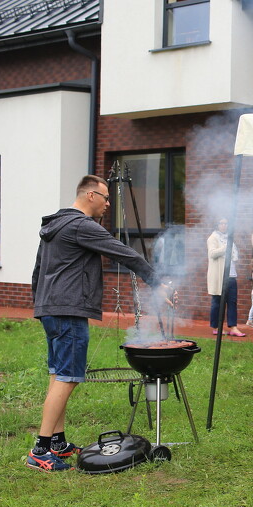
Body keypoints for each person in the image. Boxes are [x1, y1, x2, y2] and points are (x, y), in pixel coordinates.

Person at [29, 175, 172, 472]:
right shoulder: (81, 225)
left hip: (51, 308)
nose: (108, 204)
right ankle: (40, 451)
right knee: (68, 377)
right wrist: (156, 282)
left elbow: (38, 271)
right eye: (106, 198)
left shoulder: (54, 227)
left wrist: (43, 304)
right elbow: (123, 252)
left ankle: (58, 442)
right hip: (68, 310)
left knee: (58, 374)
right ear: (90, 195)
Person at [207, 219, 245, 337]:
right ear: (217, 225)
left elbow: (235, 255)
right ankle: (216, 327)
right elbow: (212, 253)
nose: (224, 226)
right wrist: (225, 247)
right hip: (219, 275)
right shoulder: (212, 238)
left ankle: (233, 327)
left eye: (226, 223)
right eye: (221, 223)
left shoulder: (229, 238)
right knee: (217, 302)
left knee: (232, 302)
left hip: (231, 274)